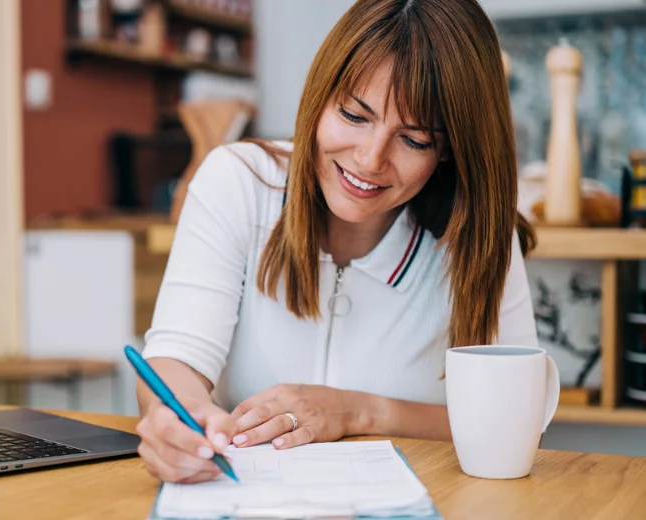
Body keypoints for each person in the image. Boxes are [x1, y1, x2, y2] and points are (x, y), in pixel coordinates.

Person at [135, 0, 539, 484]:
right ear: (320, 95)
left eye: (414, 140)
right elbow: (177, 358)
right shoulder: (238, 182)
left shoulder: (478, 235)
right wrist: (177, 419)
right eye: (353, 114)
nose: (370, 160)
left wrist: (358, 412)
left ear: (451, 149)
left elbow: (514, 420)